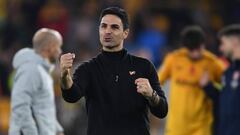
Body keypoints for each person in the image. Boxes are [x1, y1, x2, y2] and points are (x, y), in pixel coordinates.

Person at [60, 7, 168, 135]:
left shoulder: (144, 66)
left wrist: (151, 95)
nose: (107, 31)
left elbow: (162, 111)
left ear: (125, 33)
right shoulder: (87, 69)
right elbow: (71, 96)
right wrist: (64, 75)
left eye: (114, 27)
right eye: (103, 26)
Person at [158, 26, 224, 135]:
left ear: (204, 45)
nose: (196, 53)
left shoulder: (212, 63)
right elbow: (157, 81)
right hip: (177, 124)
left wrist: (210, 85)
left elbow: (227, 89)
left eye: (198, 49)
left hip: (202, 125)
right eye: (192, 50)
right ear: (186, 48)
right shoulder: (173, 59)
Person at [9, 28, 64, 135]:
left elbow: (42, 106)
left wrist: (57, 130)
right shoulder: (31, 69)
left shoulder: (41, 71)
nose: (60, 51)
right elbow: (20, 105)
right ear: (50, 47)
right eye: (58, 46)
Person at [200, 24, 240, 135]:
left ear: (235, 43)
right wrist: (207, 87)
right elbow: (223, 99)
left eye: (223, 43)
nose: (220, 48)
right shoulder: (228, 72)